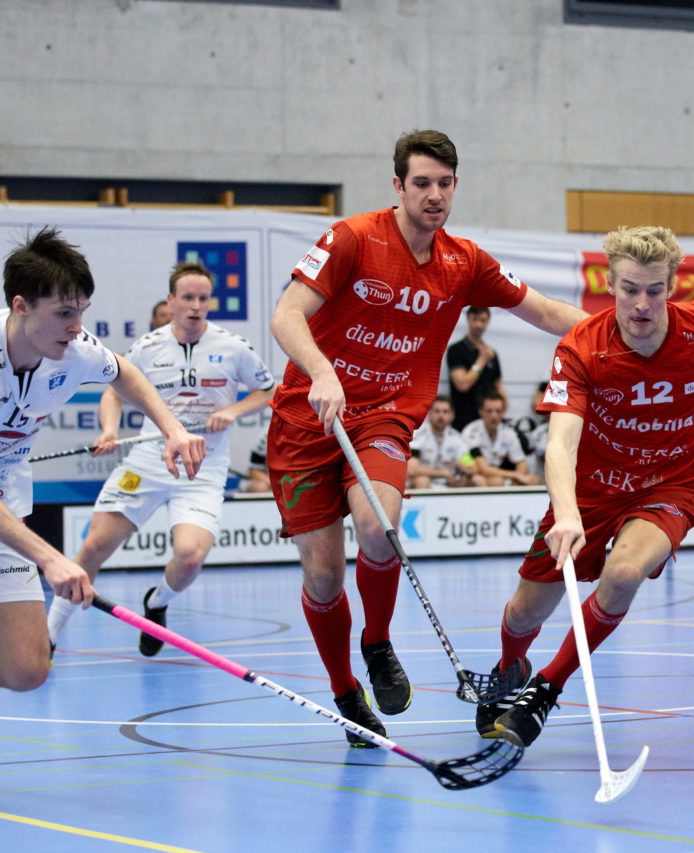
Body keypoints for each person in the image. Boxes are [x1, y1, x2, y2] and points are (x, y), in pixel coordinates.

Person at [266, 129, 586, 746]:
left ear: (455, 186)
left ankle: (378, 640)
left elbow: (546, 312)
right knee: (325, 578)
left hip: (384, 415)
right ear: (398, 186)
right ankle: (346, 693)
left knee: (378, 530)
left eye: (444, 184)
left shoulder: (464, 261)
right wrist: (324, 371)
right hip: (307, 422)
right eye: (422, 183)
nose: (434, 195)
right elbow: (286, 315)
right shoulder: (353, 239)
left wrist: (625, 335)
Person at [0, 228, 207, 750]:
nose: (77, 327)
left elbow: (125, 373)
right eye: (65, 314)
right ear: (21, 307)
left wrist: (174, 428)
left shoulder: (74, 347)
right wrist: (51, 559)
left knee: (27, 669)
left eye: (83, 311)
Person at [478, 225, 694, 747]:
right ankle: (510, 667)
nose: (642, 305)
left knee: (623, 573)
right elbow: (560, 446)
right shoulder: (582, 347)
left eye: (654, 290)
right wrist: (568, 512)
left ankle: (545, 690)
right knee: (524, 612)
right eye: (629, 290)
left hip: (670, 483)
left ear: (671, 286)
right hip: (593, 491)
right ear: (609, 284)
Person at [46, 261, 275, 655]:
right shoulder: (148, 347)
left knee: (189, 557)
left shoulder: (233, 347)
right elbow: (113, 391)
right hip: (150, 460)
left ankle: (157, 603)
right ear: (171, 301)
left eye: (203, 298)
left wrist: (233, 411)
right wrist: (109, 430)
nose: (195, 306)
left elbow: (268, 390)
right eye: (187, 297)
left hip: (202, 468)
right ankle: (46, 639)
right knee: (94, 547)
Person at [461, 391, 542, 487]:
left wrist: (517, 480)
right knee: (496, 481)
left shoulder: (507, 432)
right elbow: (483, 468)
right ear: (481, 411)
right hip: (474, 476)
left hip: (498, 474)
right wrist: (516, 475)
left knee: (534, 480)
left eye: (498, 411)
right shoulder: (471, 432)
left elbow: (522, 463)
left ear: (503, 412)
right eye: (489, 411)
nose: (494, 416)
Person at [447, 306, 506, 430]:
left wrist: (501, 411)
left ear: (488, 321)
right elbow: (462, 384)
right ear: (468, 319)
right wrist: (482, 360)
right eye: (475, 319)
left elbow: (498, 388)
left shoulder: (491, 353)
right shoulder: (456, 350)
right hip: (464, 420)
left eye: (483, 320)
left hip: (488, 421)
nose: (478, 325)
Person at [407, 395, 482, 488]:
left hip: (449, 482)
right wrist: (443, 473)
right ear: (429, 414)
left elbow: (473, 468)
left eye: (445, 412)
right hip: (425, 481)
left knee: (478, 480)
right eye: (437, 411)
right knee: (422, 480)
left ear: (451, 416)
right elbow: (411, 469)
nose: (441, 415)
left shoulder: (456, 436)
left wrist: (464, 470)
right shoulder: (418, 434)